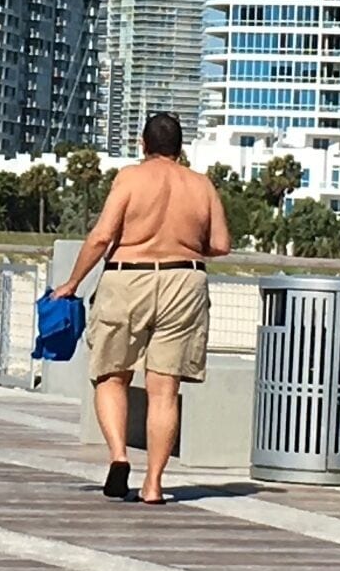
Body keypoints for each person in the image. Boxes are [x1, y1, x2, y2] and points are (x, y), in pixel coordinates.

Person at [52, 112, 230, 506]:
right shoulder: (201, 185)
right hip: (185, 281)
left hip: (127, 277)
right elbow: (220, 244)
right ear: (181, 148)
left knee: (111, 375)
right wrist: (179, 246)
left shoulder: (130, 178)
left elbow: (102, 237)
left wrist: (72, 283)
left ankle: (119, 456)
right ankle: (154, 484)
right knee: (165, 390)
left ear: (142, 144)